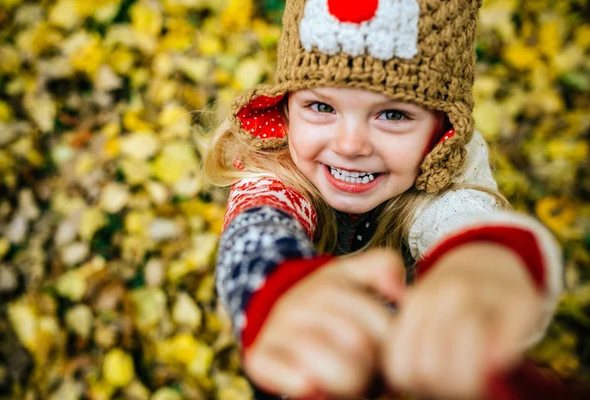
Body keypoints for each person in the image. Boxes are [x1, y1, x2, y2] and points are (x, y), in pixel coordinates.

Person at [203, 0, 563, 398]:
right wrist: (276, 288)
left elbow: (465, 216)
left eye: (392, 115)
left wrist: (483, 260)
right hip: (301, 363)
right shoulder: (275, 161)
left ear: (442, 129)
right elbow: (257, 227)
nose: (350, 145)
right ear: (287, 107)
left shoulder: (444, 178)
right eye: (321, 106)